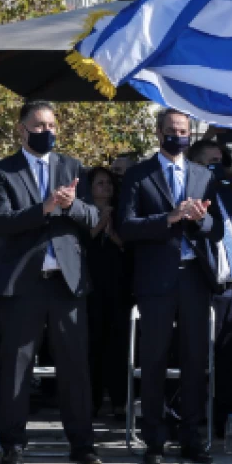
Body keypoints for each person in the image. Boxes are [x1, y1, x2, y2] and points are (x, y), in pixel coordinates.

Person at [0, 101, 100, 464]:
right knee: (16, 366)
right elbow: (1, 223)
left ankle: (82, 445)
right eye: (39, 126)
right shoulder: (2, 171)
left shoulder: (72, 167)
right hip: (23, 283)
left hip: (66, 282)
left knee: (74, 366)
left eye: (51, 125)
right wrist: (45, 209)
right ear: (22, 129)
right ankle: (13, 444)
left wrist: (70, 206)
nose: (47, 131)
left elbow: (93, 217)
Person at [118, 109, 216, 464]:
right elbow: (126, 226)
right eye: (173, 130)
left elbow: (217, 228)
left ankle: (191, 438)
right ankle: (154, 442)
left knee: (194, 360)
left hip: (193, 277)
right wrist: (169, 218)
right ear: (159, 133)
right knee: (154, 360)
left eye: (184, 131)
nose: (179, 136)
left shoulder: (203, 175)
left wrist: (201, 220)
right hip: (156, 278)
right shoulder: (138, 174)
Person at [187, 140, 232, 439]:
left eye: (220, 162)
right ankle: (187, 416)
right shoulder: (189, 201)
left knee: (231, 360)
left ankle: (228, 420)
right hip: (205, 288)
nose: (217, 168)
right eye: (210, 162)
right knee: (196, 358)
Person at [81, 166, 131, 419]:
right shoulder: (82, 212)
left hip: (118, 287)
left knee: (118, 345)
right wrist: (99, 225)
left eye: (109, 183)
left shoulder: (122, 212)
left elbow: (129, 248)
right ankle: (92, 400)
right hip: (90, 287)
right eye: (100, 183)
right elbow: (78, 245)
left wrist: (113, 234)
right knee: (93, 344)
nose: (106, 187)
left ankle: (119, 401)